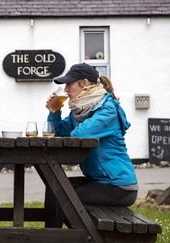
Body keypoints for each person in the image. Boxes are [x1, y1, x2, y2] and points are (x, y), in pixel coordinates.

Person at [44, 63, 138, 228]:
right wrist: (55, 111)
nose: (65, 89)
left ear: (84, 83)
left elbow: (79, 136)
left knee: (61, 197)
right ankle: (57, 235)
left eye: (69, 84)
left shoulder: (106, 110)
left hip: (118, 186)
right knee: (54, 187)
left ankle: (59, 237)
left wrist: (73, 119)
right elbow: (59, 132)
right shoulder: (82, 111)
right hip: (98, 181)